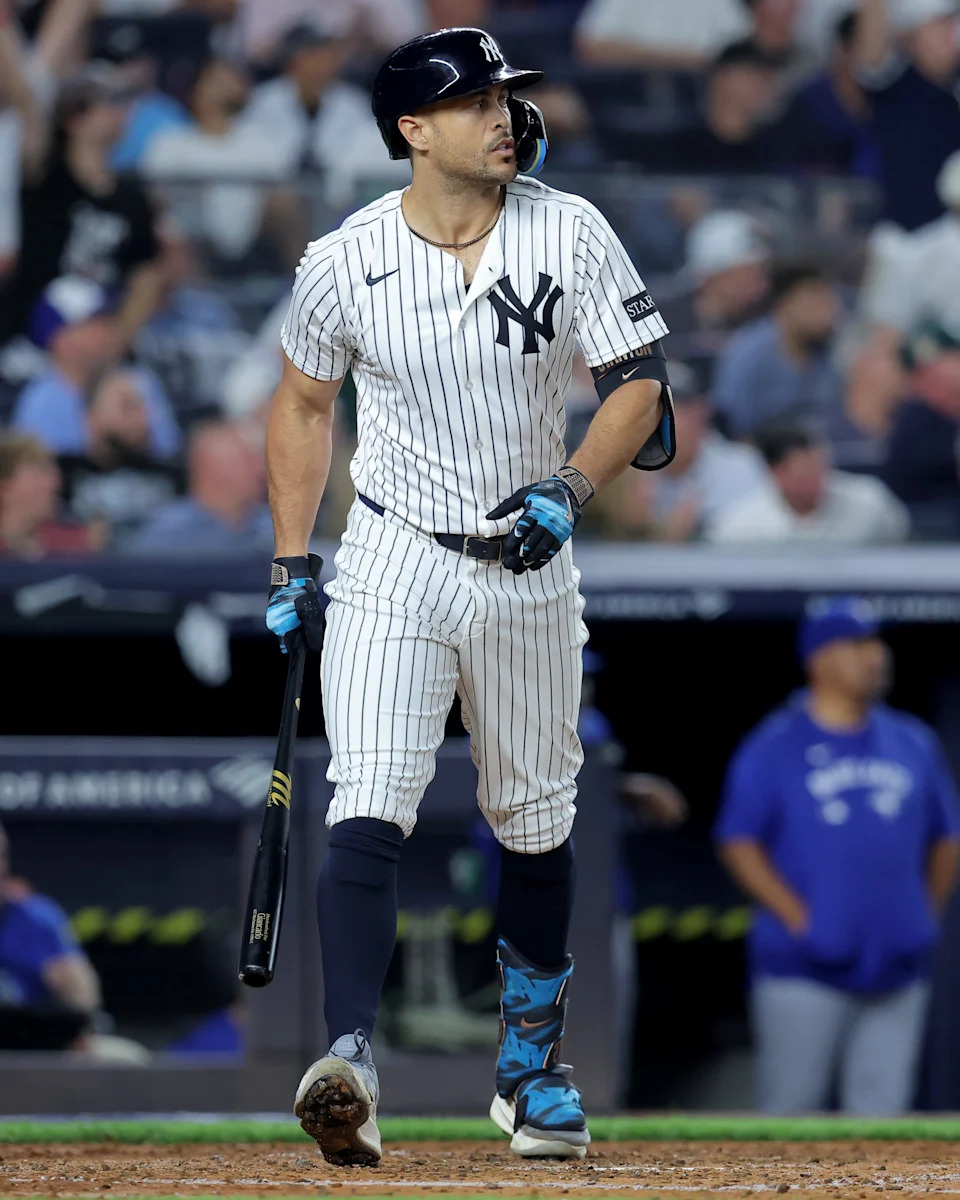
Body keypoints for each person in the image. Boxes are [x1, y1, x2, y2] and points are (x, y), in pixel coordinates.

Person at [264, 27, 673, 1167]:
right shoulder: (345, 257)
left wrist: (574, 485)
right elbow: (303, 403)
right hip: (395, 553)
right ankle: (348, 1056)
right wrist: (293, 558)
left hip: (530, 560)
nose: (503, 115)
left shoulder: (568, 225)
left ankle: (530, 1068)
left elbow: (640, 385)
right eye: (475, 100)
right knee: (373, 792)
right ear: (413, 131)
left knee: (535, 819)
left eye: (505, 95)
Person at [715, 598, 960, 1112]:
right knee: (791, 1114)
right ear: (819, 659)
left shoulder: (911, 741)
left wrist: (923, 914)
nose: (876, 656)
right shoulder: (775, 744)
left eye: (876, 643)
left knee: (883, 1123)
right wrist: (801, 919)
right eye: (858, 644)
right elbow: (738, 840)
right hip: (802, 967)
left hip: (898, 966)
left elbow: (947, 837)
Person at [0, 63, 165, 344]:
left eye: (124, 102)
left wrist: (116, 340)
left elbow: (146, 277)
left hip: (96, 339)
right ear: (73, 117)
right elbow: (24, 100)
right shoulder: (43, 176)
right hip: (26, 339)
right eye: (110, 101)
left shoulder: (133, 197)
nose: (122, 111)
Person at [585, 362, 768, 541]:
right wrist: (643, 531)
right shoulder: (625, 475)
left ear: (702, 413)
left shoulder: (741, 466)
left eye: (680, 410)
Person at [237, 24, 407, 206]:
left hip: (337, 199)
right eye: (312, 55)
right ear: (294, 61)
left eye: (325, 56)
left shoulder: (352, 103)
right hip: (277, 195)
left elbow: (364, 153)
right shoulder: (264, 100)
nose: (321, 64)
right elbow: (250, 149)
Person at [12, 275, 181, 458]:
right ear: (62, 339)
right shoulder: (40, 402)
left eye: (109, 318)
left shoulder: (139, 379)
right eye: (96, 321)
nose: (110, 329)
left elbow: (167, 453)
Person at [853, 0, 960, 231]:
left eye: (951, 24)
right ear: (910, 39)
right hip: (903, 242)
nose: (950, 35)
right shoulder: (894, 87)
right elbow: (871, 57)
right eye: (939, 26)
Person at [708, 423, 910, 543]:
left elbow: (900, 545)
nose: (817, 481)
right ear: (775, 473)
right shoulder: (740, 527)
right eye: (804, 474)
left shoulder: (870, 502)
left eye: (821, 469)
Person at [605, 42, 787, 172]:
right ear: (721, 78)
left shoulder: (773, 148)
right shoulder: (680, 142)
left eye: (766, 80)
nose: (762, 87)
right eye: (752, 77)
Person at [712, 263, 843, 440]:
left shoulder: (827, 351)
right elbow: (729, 424)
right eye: (816, 301)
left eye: (829, 301)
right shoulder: (748, 352)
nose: (828, 311)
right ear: (785, 305)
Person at [58, 366, 182, 539]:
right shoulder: (59, 476)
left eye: (143, 407)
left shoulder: (175, 475)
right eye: (128, 406)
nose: (143, 418)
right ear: (91, 417)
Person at [127, 419, 272, 555]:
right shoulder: (165, 536)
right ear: (215, 467)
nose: (261, 470)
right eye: (248, 461)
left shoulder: (277, 529)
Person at [0, 431, 99, 557]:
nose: (53, 483)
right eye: (38, 475)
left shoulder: (73, 545)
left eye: (53, 474)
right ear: (4, 487)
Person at [575, 0, 750, 70]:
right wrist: (679, 59)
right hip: (628, 97)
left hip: (701, 107)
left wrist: (636, 54)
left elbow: (743, 57)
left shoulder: (722, 4)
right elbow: (590, 46)